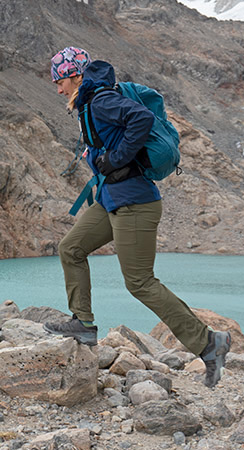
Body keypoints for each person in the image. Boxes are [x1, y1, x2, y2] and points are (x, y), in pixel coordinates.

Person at [45, 47, 229, 388]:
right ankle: (83, 324)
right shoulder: (92, 102)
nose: (58, 90)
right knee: (71, 248)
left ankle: (209, 343)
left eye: (60, 82)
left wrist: (115, 159)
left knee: (140, 282)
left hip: (134, 203)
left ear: (76, 76)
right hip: (112, 199)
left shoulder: (100, 100)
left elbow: (141, 119)